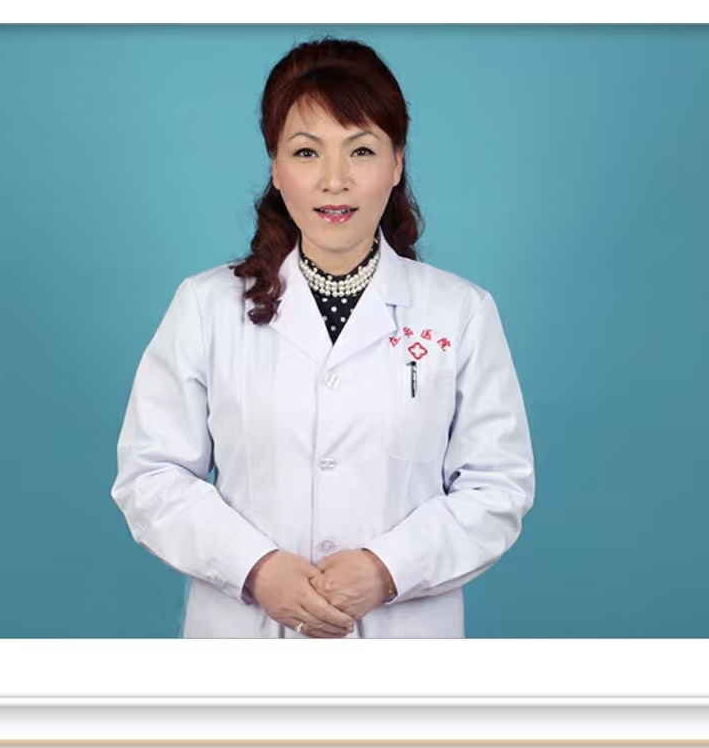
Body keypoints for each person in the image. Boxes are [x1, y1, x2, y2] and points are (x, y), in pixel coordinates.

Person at [112, 36, 535, 638]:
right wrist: (254, 567)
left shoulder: (460, 313)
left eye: (361, 150)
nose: (335, 181)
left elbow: (498, 488)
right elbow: (151, 475)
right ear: (276, 168)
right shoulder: (206, 306)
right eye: (307, 152)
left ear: (396, 163)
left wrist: (388, 569)